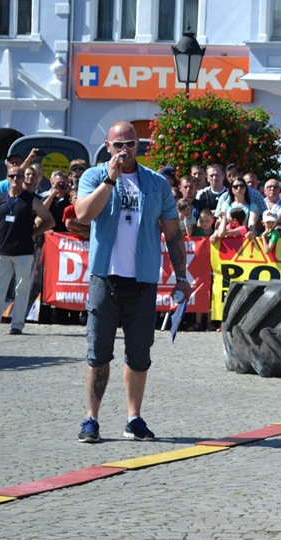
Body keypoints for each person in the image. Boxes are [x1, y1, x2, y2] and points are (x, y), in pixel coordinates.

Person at [73, 120, 192, 443]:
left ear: (139, 146)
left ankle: (133, 418)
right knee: (98, 354)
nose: (124, 151)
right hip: (104, 278)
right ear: (107, 147)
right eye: (118, 145)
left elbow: (173, 233)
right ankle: (91, 419)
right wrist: (110, 180)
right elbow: (83, 215)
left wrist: (181, 277)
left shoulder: (155, 184)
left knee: (139, 355)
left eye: (131, 144)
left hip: (142, 280)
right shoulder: (94, 176)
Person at [0, 164, 55, 335]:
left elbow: (49, 220)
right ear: (7, 179)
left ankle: (17, 325)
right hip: (2, 251)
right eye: (12, 176)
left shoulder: (32, 200)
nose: (15, 179)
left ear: (23, 179)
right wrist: (2, 231)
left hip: (24, 251)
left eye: (18, 176)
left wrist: (34, 234)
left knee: (21, 289)